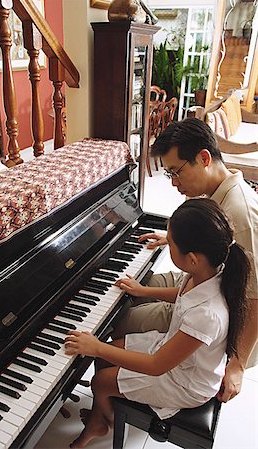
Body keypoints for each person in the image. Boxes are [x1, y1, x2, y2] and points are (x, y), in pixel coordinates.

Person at [65, 198, 250, 449]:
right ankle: (103, 414)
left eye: (170, 242)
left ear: (193, 258)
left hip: (184, 382)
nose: (167, 244)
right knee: (103, 360)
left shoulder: (208, 314)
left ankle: (101, 421)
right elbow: (183, 295)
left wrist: (96, 346)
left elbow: (155, 366)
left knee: (100, 380)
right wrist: (142, 291)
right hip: (171, 351)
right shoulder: (209, 271)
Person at [112, 118, 258, 403]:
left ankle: (117, 391)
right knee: (136, 284)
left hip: (204, 308)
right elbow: (212, 235)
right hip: (192, 284)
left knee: (119, 320)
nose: (175, 183)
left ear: (204, 158)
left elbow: (255, 296)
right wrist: (173, 238)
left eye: (176, 172)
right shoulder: (218, 193)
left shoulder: (241, 214)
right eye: (169, 175)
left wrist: (237, 364)